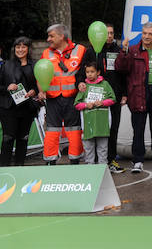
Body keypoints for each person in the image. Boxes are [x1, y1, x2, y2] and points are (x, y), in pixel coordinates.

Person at [116, 21, 152, 173]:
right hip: (138, 93)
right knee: (138, 130)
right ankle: (137, 161)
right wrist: (124, 51)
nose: (146, 37)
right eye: (144, 33)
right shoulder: (132, 51)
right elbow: (120, 68)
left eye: (150, 34)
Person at [41, 24, 96, 165]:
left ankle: (75, 160)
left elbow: (89, 72)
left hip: (73, 97)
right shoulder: (46, 53)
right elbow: (40, 75)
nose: (48, 39)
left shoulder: (81, 50)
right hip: (53, 97)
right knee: (52, 131)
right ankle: (49, 161)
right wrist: (41, 90)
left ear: (62, 36)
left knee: (74, 130)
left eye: (51, 36)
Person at [0, 37, 38, 166]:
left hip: (27, 108)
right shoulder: (6, 64)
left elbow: (39, 86)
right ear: (14, 49)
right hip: (8, 108)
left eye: (23, 47)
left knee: (23, 139)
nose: (20, 49)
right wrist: (7, 88)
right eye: (18, 47)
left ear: (28, 49)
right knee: (8, 138)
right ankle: (4, 169)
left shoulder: (35, 65)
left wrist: (34, 91)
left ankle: (20, 167)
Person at [74, 61, 115, 165]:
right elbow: (77, 104)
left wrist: (102, 103)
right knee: (88, 149)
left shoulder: (105, 84)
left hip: (102, 124)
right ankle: (90, 168)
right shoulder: (83, 86)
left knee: (103, 149)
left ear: (98, 72)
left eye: (92, 71)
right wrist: (86, 105)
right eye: (87, 72)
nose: (90, 74)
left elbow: (113, 99)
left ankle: (103, 168)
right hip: (88, 125)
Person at [97, 24, 126, 173]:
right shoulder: (95, 50)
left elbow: (124, 74)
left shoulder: (119, 51)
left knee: (113, 128)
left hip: (115, 96)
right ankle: (98, 160)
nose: (109, 35)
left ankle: (111, 159)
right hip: (97, 97)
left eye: (111, 33)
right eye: (106, 33)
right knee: (99, 129)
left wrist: (125, 94)